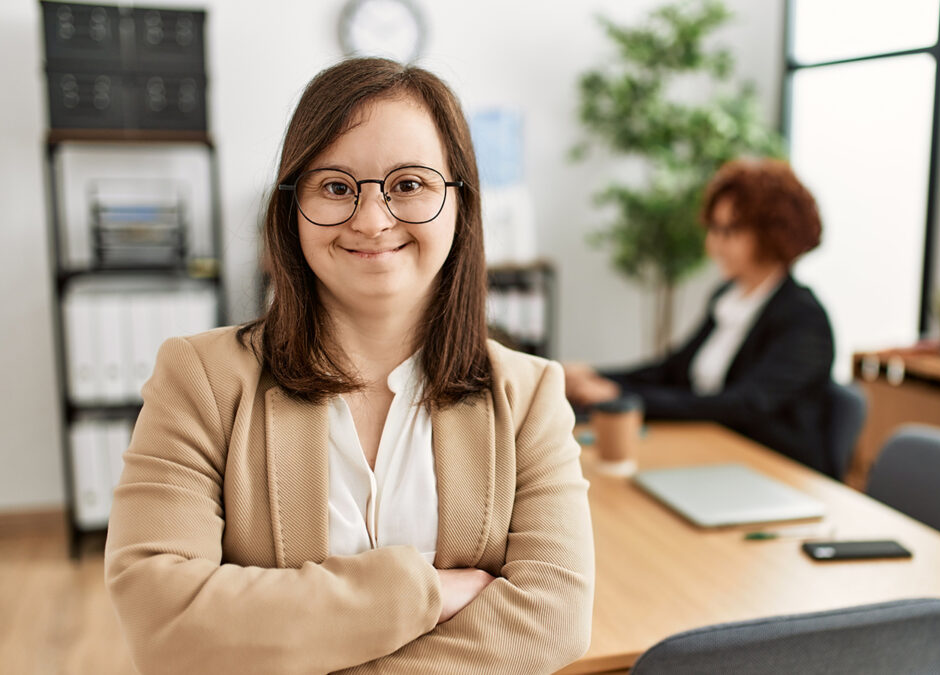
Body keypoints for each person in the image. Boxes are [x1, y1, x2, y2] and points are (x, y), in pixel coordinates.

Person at [104, 58, 594, 675]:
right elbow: (163, 622)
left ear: (460, 204)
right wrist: (427, 593)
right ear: (292, 209)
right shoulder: (198, 379)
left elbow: (553, 621)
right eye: (335, 186)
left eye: (409, 184)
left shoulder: (529, 395)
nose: (372, 219)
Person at [565, 158, 835, 475]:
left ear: (771, 234)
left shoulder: (804, 320)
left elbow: (741, 406)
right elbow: (673, 370)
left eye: (729, 230)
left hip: (776, 471)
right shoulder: (728, 298)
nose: (714, 243)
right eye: (714, 229)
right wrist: (598, 376)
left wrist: (619, 395)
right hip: (715, 454)